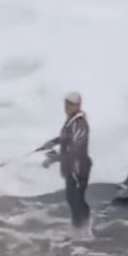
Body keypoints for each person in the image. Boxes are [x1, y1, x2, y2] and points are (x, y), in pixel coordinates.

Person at [38, 91, 92, 229]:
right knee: (72, 198)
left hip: (79, 167)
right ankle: (81, 227)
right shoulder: (71, 120)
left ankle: (83, 229)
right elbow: (66, 138)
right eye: (66, 103)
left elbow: (77, 148)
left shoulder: (80, 123)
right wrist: (52, 142)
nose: (67, 106)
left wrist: (54, 158)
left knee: (76, 199)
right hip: (71, 165)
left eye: (71, 104)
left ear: (78, 105)